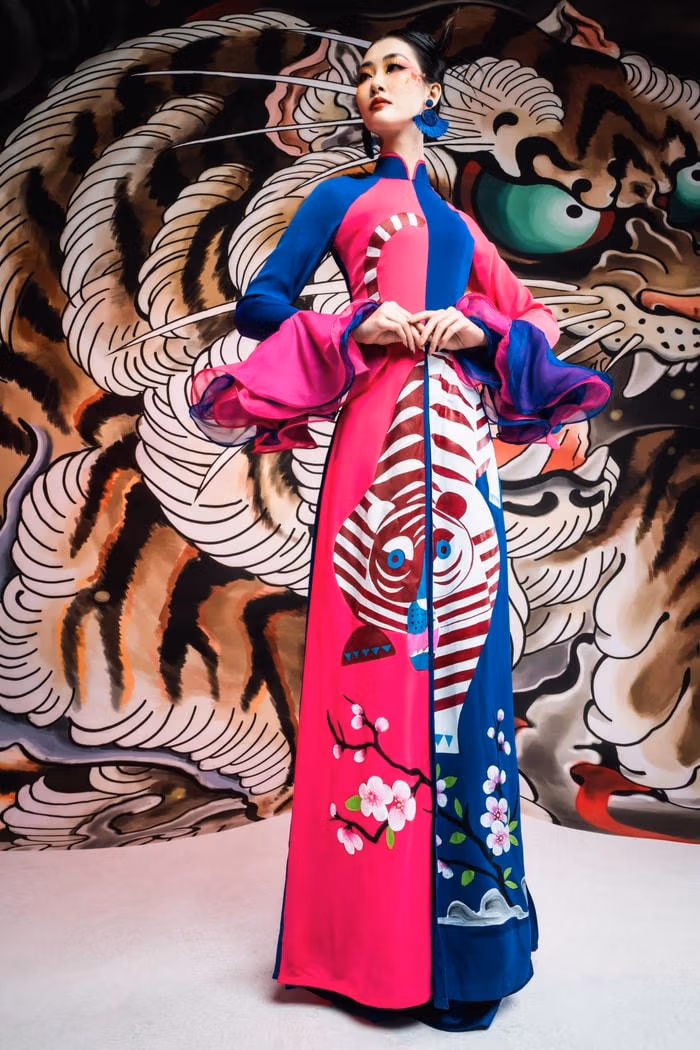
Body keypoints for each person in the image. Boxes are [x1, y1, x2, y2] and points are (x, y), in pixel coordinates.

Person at [190, 25, 612, 1031]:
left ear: (430, 94)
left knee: (469, 679)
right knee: (373, 674)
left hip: (460, 452)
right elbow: (261, 306)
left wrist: (477, 328)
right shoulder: (338, 199)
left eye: (394, 67)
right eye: (365, 70)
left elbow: (535, 324)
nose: (373, 82)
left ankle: (468, 948)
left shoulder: (460, 226)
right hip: (373, 448)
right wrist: (356, 326)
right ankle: (370, 950)